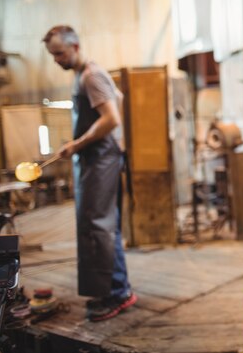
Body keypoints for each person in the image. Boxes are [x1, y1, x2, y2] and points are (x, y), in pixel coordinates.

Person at [43, 25, 136, 321]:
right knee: (104, 226)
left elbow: (112, 118)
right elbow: (117, 97)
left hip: (101, 159)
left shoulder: (91, 76)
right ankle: (115, 288)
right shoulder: (85, 75)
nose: (56, 59)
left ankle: (118, 293)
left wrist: (77, 143)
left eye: (59, 53)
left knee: (99, 226)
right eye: (52, 55)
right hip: (97, 158)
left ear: (76, 46)